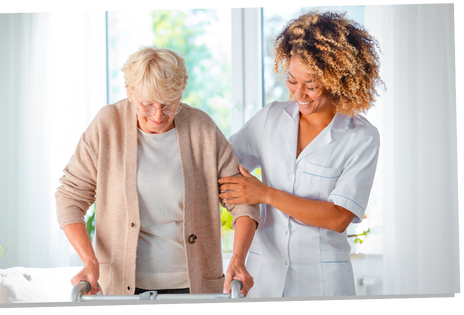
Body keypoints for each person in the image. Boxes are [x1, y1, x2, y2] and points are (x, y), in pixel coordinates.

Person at [55, 46, 260, 297]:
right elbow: (70, 197)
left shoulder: (202, 129)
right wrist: (89, 261)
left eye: (169, 103)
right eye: (147, 104)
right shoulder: (108, 125)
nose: (158, 115)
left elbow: (243, 201)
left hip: (194, 285)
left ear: (181, 93)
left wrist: (238, 259)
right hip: (122, 286)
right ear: (130, 93)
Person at [218, 11, 385, 297]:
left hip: (322, 281)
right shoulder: (270, 117)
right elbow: (221, 166)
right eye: (293, 81)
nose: (299, 94)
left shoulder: (362, 138)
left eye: (312, 85)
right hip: (262, 277)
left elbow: (338, 217)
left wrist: (265, 194)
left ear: (340, 81)